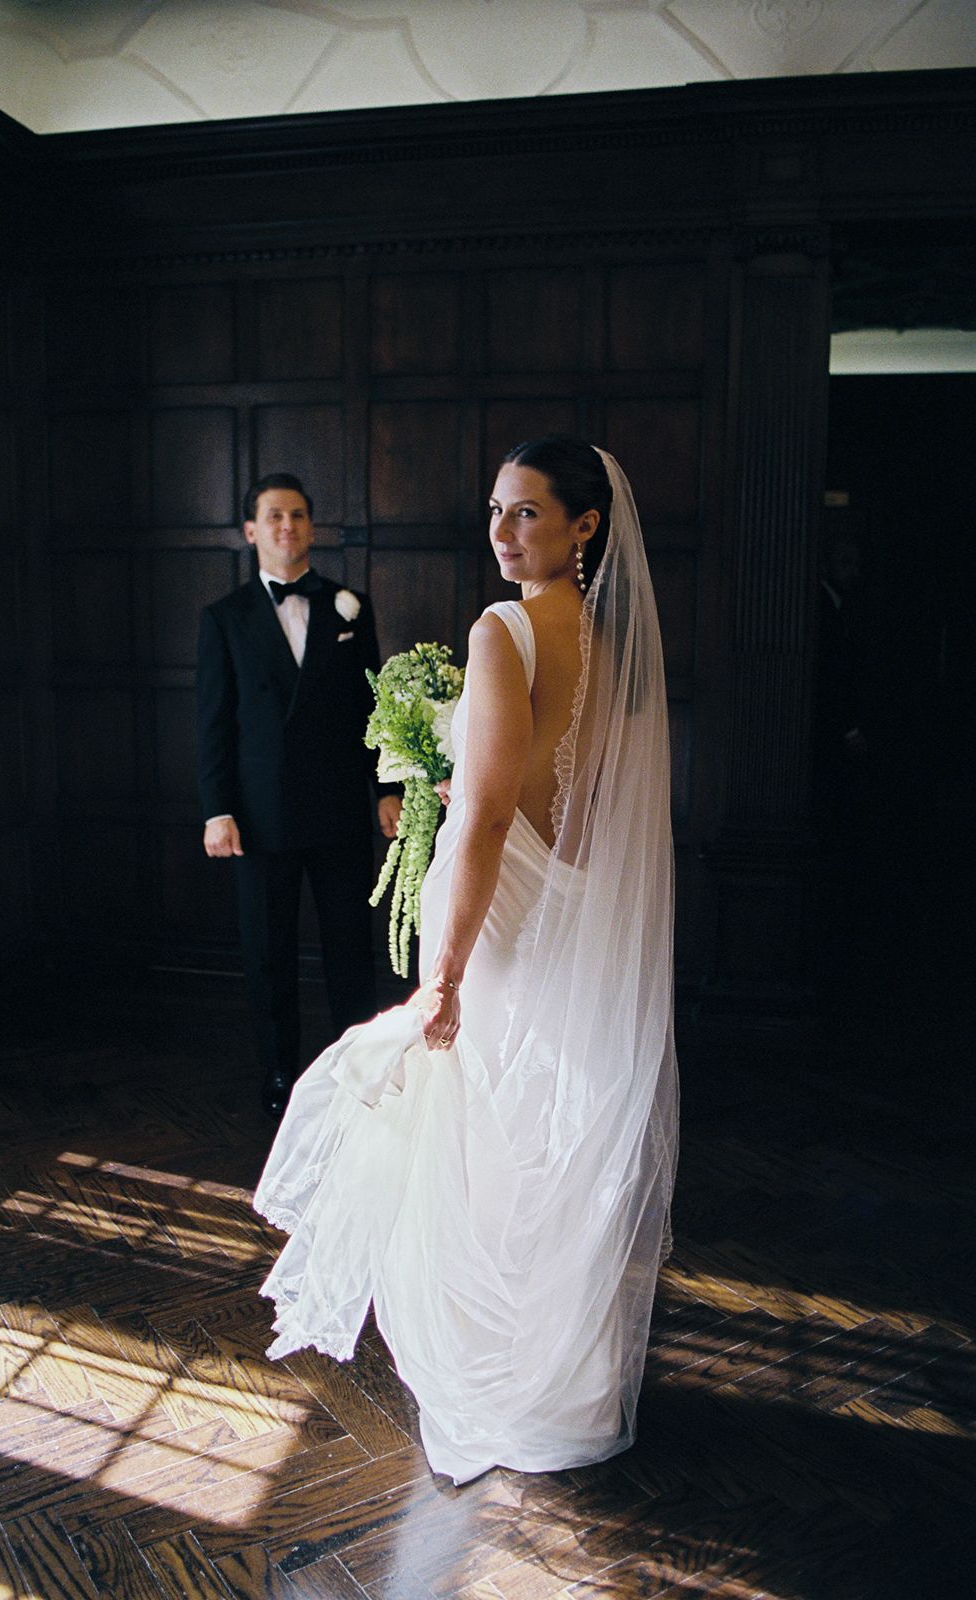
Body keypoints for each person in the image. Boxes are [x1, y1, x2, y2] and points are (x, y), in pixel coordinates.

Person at [254, 439, 678, 1482]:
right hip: (572, 907)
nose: (501, 532)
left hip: (504, 919)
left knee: (487, 1137)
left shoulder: (503, 630)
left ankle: (497, 1376)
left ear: (584, 526)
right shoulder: (615, 644)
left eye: (526, 512)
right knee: (548, 1128)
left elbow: (488, 817)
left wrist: (440, 974)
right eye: (495, 509)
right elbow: (578, 799)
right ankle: (565, 1383)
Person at [197, 473, 401, 1120]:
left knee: (350, 948)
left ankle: (357, 1070)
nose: (287, 526)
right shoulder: (223, 618)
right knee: (268, 953)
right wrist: (217, 809)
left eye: (298, 516)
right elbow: (213, 723)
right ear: (251, 531)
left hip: (338, 806)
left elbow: (374, 708)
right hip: (260, 816)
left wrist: (387, 788)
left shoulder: (351, 607)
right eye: (274, 516)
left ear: (312, 527)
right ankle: (280, 1071)